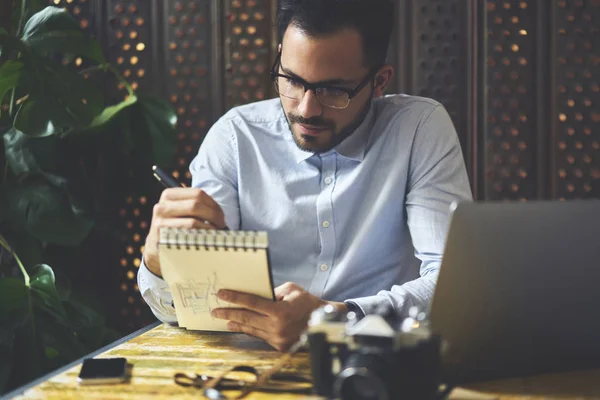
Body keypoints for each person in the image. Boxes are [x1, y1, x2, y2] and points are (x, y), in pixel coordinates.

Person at [138, 0, 472, 352]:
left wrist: (338, 319)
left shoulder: (418, 128)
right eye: (293, 80)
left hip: (378, 361)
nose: (306, 109)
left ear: (379, 81)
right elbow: (198, 305)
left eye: (333, 91)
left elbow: (455, 284)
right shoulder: (235, 139)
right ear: (280, 57)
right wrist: (161, 264)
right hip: (253, 367)